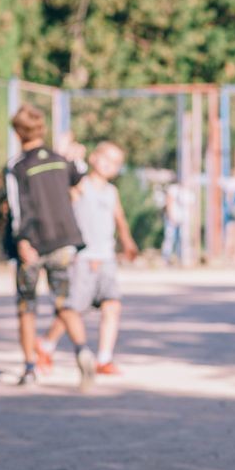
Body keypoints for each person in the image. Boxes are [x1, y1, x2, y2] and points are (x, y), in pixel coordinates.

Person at [3, 105, 96, 390]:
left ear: (18, 132)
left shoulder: (17, 166)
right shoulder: (60, 160)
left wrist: (21, 240)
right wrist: (73, 155)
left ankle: (30, 368)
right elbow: (80, 178)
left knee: (27, 306)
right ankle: (82, 351)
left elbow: (17, 209)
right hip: (64, 241)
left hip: (33, 242)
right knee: (63, 302)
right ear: (42, 129)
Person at [36, 142, 138, 376]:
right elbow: (62, 186)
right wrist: (67, 155)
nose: (108, 164)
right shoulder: (81, 185)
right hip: (83, 257)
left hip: (107, 257)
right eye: (105, 158)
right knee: (74, 309)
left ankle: (104, 358)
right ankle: (46, 344)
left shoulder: (112, 192)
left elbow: (119, 218)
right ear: (93, 158)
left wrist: (128, 242)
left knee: (112, 305)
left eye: (115, 162)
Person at [161, 180, 185, 265]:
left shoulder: (184, 190)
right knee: (170, 239)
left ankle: (180, 259)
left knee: (180, 239)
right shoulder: (173, 189)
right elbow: (168, 202)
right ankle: (165, 259)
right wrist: (171, 216)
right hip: (172, 219)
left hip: (181, 220)